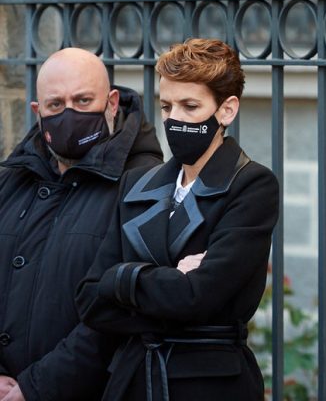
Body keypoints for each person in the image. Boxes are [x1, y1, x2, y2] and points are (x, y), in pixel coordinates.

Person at [75, 38, 279, 401]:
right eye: (167, 106)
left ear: (226, 110)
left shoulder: (251, 185)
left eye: (190, 106)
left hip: (209, 385)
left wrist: (120, 280)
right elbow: (91, 299)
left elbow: (197, 297)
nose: (175, 119)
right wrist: (163, 281)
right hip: (134, 380)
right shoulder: (138, 184)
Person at [0, 48, 162, 401]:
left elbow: (121, 309)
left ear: (111, 103)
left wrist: (34, 387)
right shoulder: (10, 180)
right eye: (55, 104)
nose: (69, 114)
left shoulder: (143, 185)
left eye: (83, 100)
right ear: (38, 111)